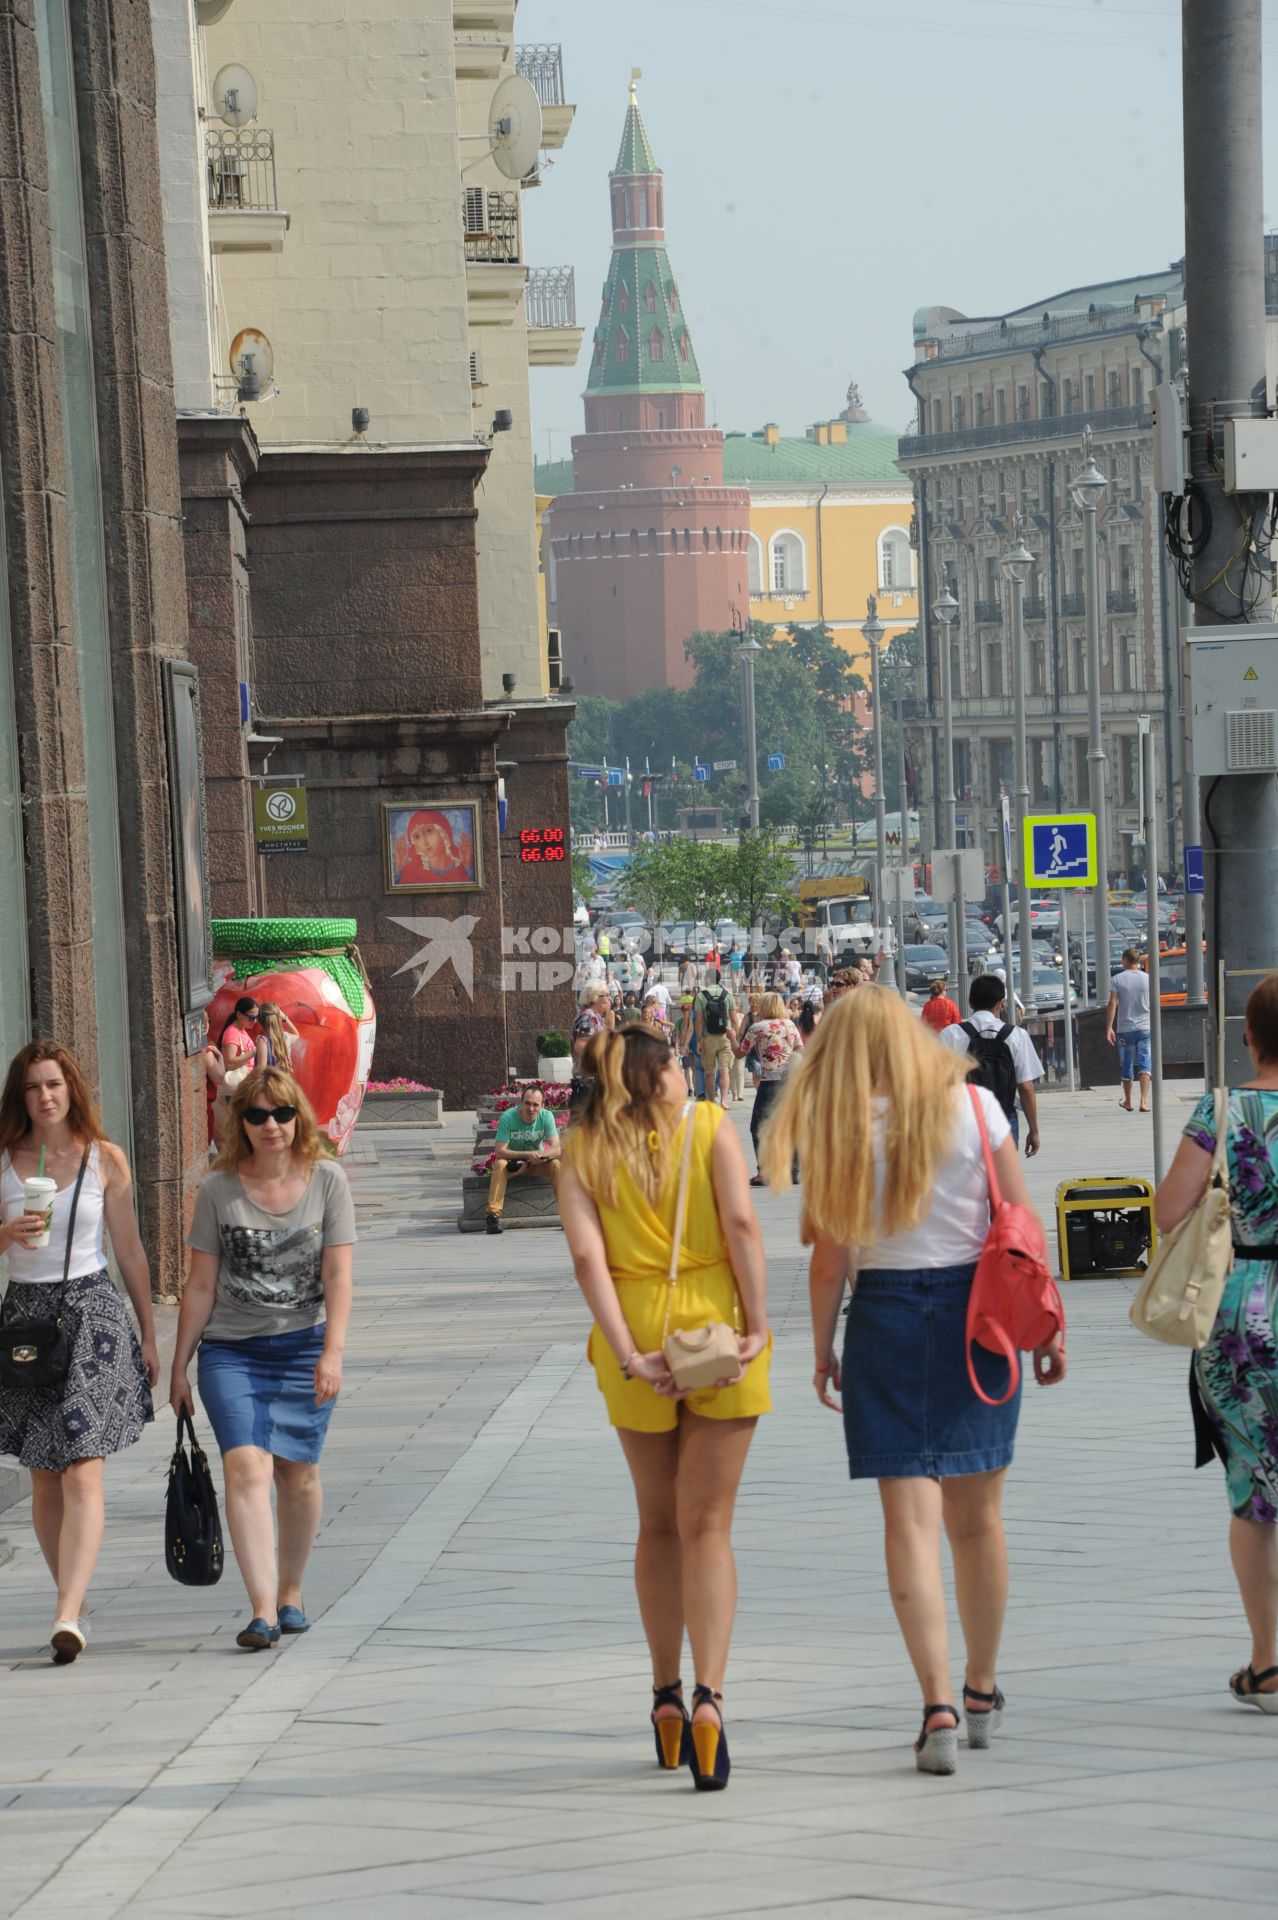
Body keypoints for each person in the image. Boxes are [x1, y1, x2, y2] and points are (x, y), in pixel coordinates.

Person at [762, 989, 1066, 1774]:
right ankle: (980, 1688)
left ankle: (933, 1703)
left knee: (908, 1524)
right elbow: (1021, 1225)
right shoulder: (974, 1107)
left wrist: (823, 1349)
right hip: (982, 1317)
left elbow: (831, 1260)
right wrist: (1049, 1325)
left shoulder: (839, 1130)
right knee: (980, 1521)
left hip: (885, 1319)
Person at [557, 1026, 772, 1790]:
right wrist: (756, 1324)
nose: (684, 1071)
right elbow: (742, 1224)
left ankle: (665, 1696)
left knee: (656, 1523)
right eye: (675, 1063)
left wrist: (627, 1352)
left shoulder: (578, 1149)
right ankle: (712, 1697)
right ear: (653, 1077)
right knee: (708, 1525)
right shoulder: (712, 1128)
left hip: (637, 1327)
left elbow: (587, 1258)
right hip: (714, 1318)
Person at [171, 1068, 355, 1650]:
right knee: (245, 1467)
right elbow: (200, 1286)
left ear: (298, 1117)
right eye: (256, 1115)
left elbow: (338, 1272)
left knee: (297, 1474)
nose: (270, 1125)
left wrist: (333, 1352)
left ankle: (291, 1593)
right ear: (239, 1123)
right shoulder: (217, 1190)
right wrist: (180, 1366)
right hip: (231, 1351)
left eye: (281, 1113)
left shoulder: (327, 1180)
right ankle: (261, 1611)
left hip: (303, 1344)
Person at [0, 1041, 158, 1662]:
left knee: (82, 1466)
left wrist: (148, 1333)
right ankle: (73, 1595)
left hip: (91, 1314)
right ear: (22, 1096)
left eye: (55, 1085)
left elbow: (131, 1252)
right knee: (44, 1475)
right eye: (35, 1087)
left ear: (72, 1092)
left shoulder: (103, 1160)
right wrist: (6, 1233)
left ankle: (67, 1612)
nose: (45, 1096)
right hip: (24, 1322)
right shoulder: (6, 1163)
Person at [1154, 975, 1278, 1711]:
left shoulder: (1223, 1109)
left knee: (1256, 1491)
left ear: (1248, 1036)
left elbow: (1170, 1210)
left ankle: (1268, 1664)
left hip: (1240, 1319)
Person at [939, 975, 1043, 1157]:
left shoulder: (950, 1035)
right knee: (1002, 1178)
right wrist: (1034, 1130)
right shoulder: (1017, 1036)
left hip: (962, 1120)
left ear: (970, 1002)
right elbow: (1026, 1087)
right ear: (1000, 1004)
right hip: (1003, 1118)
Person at [734, 991, 803, 1185]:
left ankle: (764, 1171)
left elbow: (740, 1053)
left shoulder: (757, 1028)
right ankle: (794, 1170)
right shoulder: (789, 1025)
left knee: (758, 1127)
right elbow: (799, 1048)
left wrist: (732, 1037)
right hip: (789, 1081)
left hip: (769, 1082)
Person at [484, 1085, 562, 1236]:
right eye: (527, 1103)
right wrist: (528, 1155)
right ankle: (492, 1216)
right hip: (512, 1164)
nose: (531, 1108)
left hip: (535, 1162)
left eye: (535, 1105)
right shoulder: (508, 1117)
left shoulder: (546, 1116)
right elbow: (500, 1151)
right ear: (521, 1102)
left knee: (556, 1164)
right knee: (499, 1164)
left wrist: (538, 1156)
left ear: (543, 1105)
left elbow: (557, 1148)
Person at [1107, 948, 1152, 1114]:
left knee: (1126, 1065)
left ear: (1125, 960)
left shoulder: (1117, 979)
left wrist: (1109, 1027)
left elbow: (1112, 1004)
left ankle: (1129, 1101)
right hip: (1145, 1027)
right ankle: (1144, 1101)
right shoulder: (1148, 979)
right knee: (1145, 1063)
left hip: (1125, 1029)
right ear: (1138, 961)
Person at [695, 968, 738, 1108]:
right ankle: (724, 1100)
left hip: (708, 1038)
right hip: (725, 1036)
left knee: (709, 1072)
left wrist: (699, 1040)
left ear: (707, 979)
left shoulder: (701, 996)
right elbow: (734, 1019)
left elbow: (699, 1021)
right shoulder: (728, 995)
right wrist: (735, 1038)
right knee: (725, 1069)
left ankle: (711, 1100)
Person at [254, 1001, 300, 1073]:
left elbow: (260, 1072)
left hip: (270, 1083)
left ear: (259, 1020)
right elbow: (297, 1035)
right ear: (278, 1018)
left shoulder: (262, 1041)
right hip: (283, 1082)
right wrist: (285, 1017)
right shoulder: (286, 1037)